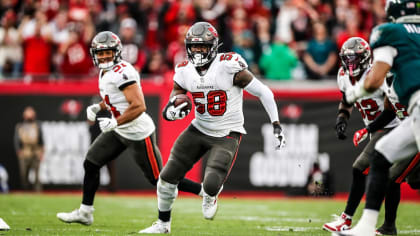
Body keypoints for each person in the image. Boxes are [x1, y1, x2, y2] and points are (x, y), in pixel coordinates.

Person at [139, 21, 286, 234]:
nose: (197, 52)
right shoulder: (184, 70)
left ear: (214, 46)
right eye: (194, 47)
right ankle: (163, 224)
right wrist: (170, 110)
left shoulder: (228, 65)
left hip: (227, 133)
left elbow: (264, 92)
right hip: (198, 128)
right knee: (167, 177)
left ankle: (210, 194)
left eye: (202, 47)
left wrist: (276, 124)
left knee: (210, 184)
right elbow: (175, 98)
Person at [56, 31, 202, 226]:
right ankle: (85, 212)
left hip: (138, 132)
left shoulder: (122, 73)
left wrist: (115, 122)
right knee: (91, 163)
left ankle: (203, 190)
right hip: (119, 130)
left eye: (108, 52)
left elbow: (139, 106)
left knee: (160, 180)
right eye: (101, 53)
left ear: (116, 52)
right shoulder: (104, 72)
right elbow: (114, 99)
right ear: (94, 55)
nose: (105, 56)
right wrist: (98, 107)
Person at [336, 1, 420, 235]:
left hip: (412, 111)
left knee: (386, 166)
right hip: (411, 114)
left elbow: (374, 81)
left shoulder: (389, 32)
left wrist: (353, 93)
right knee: (382, 158)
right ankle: (368, 226)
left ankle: (369, 224)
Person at [14, 106, 44, 192]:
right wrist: (18, 151)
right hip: (25, 152)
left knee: (37, 175)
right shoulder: (20, 126)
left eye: (31, 113)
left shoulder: (37, 125)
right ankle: (25, 191)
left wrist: (42, 152)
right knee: (24, 174)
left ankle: (38, 192)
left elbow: (41, 140)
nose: (29, 115)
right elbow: (16, 140)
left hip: (35, 152)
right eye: (28, 113)